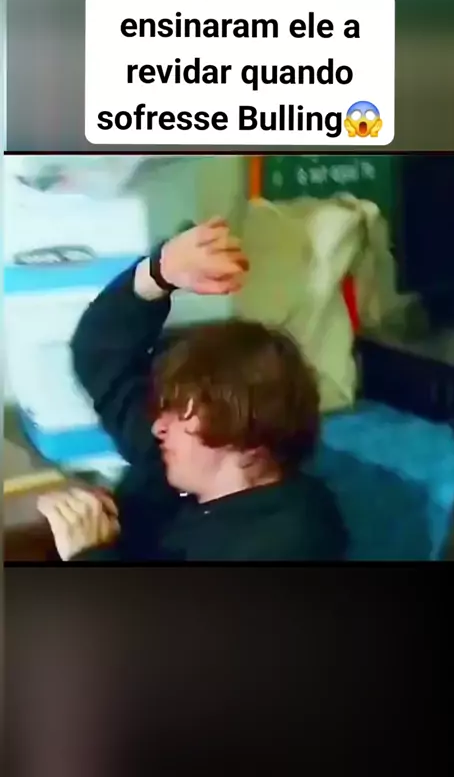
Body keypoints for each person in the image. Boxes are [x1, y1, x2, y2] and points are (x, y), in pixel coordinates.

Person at [38, 217, 348, 561]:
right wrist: (160, 272)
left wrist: (91, 554)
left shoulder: (290, 539)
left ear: (245, 428)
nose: (158, 426)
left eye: (179, 410)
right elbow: (101, 354)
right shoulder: (174, 465)